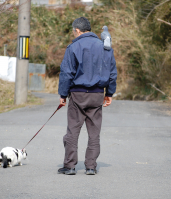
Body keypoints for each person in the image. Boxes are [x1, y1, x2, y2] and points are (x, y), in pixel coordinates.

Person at [57, 17, 117, 175]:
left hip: (77, 95)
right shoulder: (105, 46)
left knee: (73, 131)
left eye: (73, 31)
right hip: (97, 94)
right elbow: (112, 73)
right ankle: (91, 167)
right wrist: (109, 93)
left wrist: (63, 94)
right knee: (94, 132)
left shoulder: (73, 47)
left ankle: (69, 166)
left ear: (77, 30)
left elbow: (66, 73)